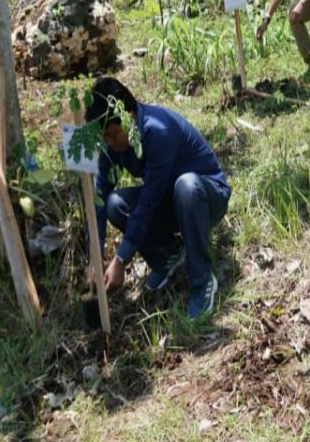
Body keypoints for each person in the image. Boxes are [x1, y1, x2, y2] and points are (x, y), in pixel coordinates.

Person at [87, 77, 231, 321]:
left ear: (129, 117)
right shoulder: (111, 145)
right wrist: (96, 255)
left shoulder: (158, 132)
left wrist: (121, 260)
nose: (109, 143)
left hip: (205, 198)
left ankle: (202, 279)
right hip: (169, 201)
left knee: (186, 185)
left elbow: (148, 202)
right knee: (114, 204)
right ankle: (167, 256)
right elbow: (100, 198)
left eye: (112, 135)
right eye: (104, 138)